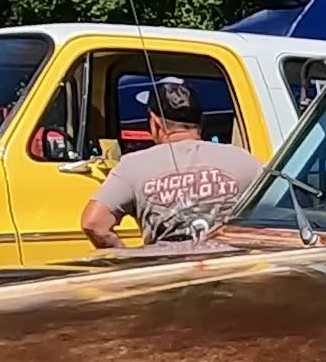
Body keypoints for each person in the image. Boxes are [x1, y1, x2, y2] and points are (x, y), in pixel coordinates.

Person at [81, 80, 262, 248]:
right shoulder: (243, 160)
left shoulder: (133, 165)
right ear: (200, 121)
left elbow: (94, 224)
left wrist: (129, 260)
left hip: (167, 273)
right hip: (228, 273)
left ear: (156, 123)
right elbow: (282, 212)